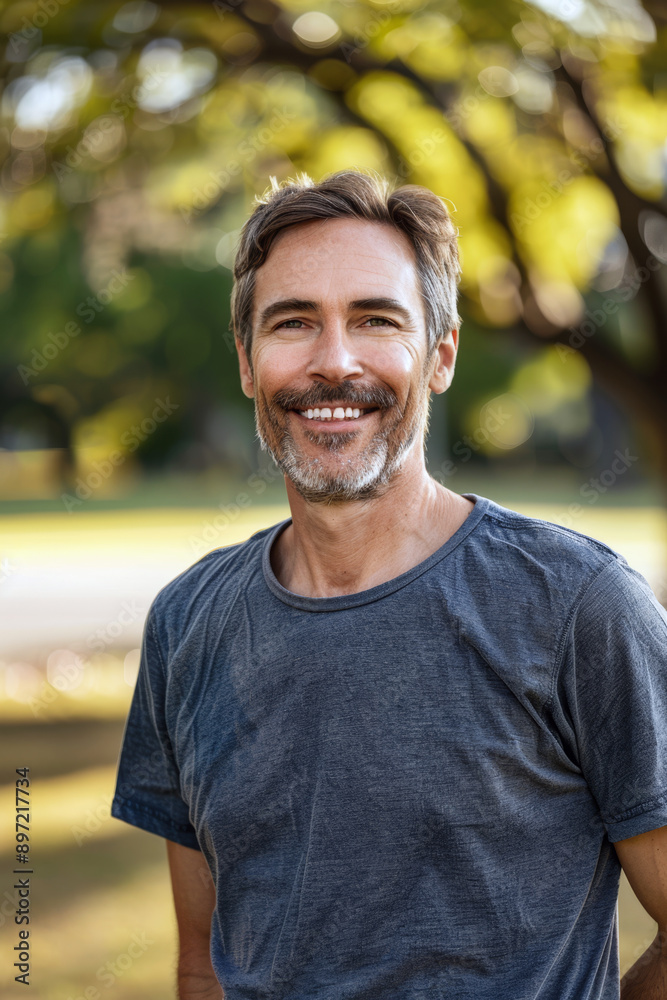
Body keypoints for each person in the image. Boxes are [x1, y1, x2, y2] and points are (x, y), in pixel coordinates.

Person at [110, 169, 667, 1000]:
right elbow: (204, 961)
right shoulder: (187, 621)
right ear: (247, 363)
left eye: (375, 320)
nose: (333, 364)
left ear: (438, 355)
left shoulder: (580, 606)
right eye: (293, 323)